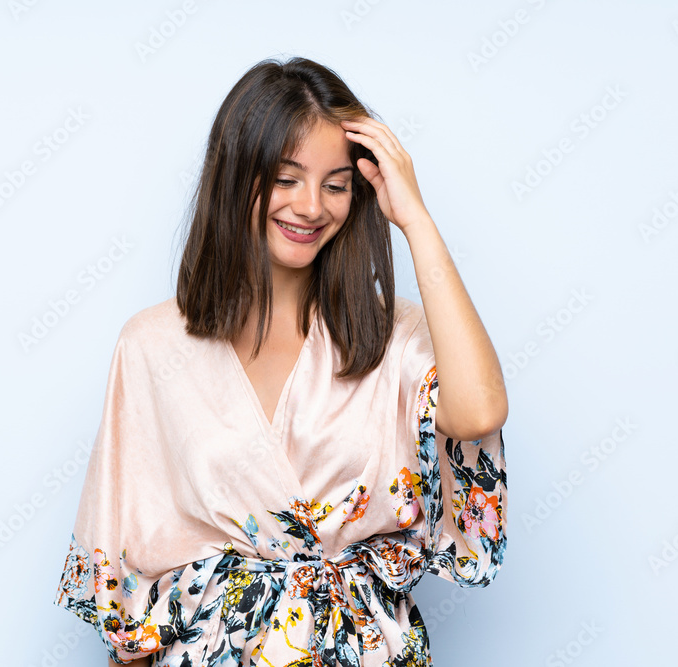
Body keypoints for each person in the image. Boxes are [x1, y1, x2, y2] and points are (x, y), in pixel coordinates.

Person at [53, 55, 509, 667]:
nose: (311, 206)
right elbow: (126, 583)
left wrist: (415, 219)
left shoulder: (392, 336)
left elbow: (479, 413)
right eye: (286, 178)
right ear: (236, 176)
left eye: (336, 185)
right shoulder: (152, 345)